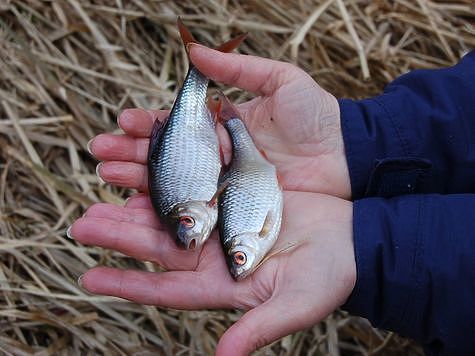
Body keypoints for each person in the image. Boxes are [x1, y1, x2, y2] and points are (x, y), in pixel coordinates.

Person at [69, 44, 475, 355]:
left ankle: (203, 88)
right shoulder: (209, 204)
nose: (194, 232)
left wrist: (375, 250)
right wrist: (364, 139)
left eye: (188, 225)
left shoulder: (212, 207)